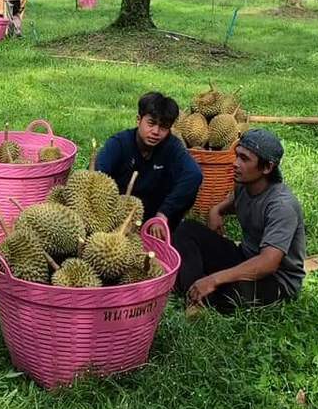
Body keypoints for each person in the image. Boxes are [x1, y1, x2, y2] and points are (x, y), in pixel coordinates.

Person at [171, 127, 306, 314]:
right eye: (237, 156)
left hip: (276, 280)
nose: (235, 163)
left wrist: (214, 279)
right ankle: (196, 294)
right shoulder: (244, 185)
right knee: (187, 230)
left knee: (228, 293)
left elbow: (268, 263)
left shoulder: (282, 206)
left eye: (244, 159)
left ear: (267, 167)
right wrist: (216, 210)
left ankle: (196, 292)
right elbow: (233, 203)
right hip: (244, 257)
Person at [94, 91, 203, 226]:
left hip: (156, 218)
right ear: (139, 120)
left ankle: (169, 229)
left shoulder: (172, 147)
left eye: (163, 127)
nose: (156, 132)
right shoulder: (119, 143)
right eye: (151, 123)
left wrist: (164, 213)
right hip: (117, 216)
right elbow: (96, 174)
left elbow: (194, 174)